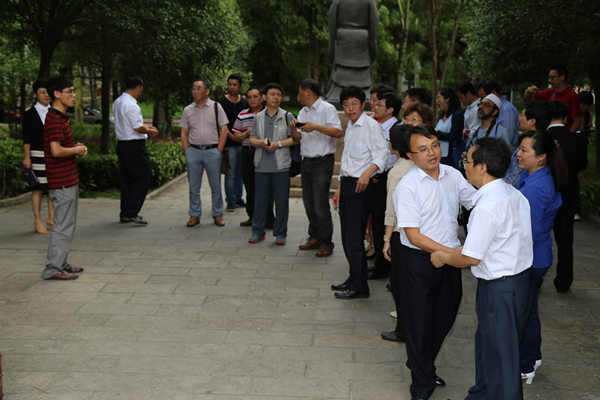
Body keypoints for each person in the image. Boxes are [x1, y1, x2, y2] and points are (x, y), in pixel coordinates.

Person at [431, 137, 533, 400]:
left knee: (501, 359)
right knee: (490, 349)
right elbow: (491, 246)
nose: (464, 165)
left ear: (482, 167)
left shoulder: (487, 206)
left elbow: (471, 258)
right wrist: (450, 252)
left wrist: (443, 257)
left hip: (500, 289)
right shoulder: (513, 193)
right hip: (516, 284)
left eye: (467, 161)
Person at [393, 125, 476, 400]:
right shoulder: (407, 187)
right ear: (410, 155)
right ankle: (421, 386)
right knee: (419, 323)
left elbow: (474, 201)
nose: (432, 153)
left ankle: (421, 363)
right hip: (419, 262)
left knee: (445, 316)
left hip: (449, 260)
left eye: (435, 146)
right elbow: (413, 236)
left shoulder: (452, 174)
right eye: (423, 149)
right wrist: (452, 253)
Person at [516, 130, 567, 384]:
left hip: (531, 258)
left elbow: (531, 234)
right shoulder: (534, 176)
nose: (518, 154)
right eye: (520, 148)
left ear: (541, 157)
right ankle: (532, 357)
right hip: (535, 256)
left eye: (524, 150)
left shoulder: (538, 187)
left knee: (525, 313)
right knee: (530, 309)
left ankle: (526, 364)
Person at [331, 85, 388, 299]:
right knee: (347, 237)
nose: (350, 108)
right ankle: (354, 277)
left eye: (354, 104)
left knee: (355, 238)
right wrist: (339, 187)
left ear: (363, 105)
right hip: (347, 184)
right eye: (346, 105)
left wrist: (367, 173)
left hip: (361, 186)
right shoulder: (350, 126)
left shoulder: (371, 125)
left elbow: (382, 156)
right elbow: (347, 160)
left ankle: (360, 286)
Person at [42, 76, 88, 280]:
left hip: (68, 178)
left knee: (67, 223)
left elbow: (62, 147)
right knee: (62, 224)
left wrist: (75, 147)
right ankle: (53, 269)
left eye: (73, 91)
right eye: (69, 91)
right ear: (57, 94)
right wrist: (76, 150)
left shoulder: (60, 117)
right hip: (61, 181)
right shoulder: (53, 119)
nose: (74, 95)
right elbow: (56, 151)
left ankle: (61, 263)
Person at [291, 79, 342, 257]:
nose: (298, 95)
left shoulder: (327, 109)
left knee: (320, 204)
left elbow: (338, 132)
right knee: (309, 203)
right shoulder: (303, 111)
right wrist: (294, 128)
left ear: (307, 92)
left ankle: (326, 242)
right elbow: (296, 139)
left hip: (322, 162)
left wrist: (316, 127)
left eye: (299, 92)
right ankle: (314, 237)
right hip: (306, 161)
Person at [248, 83, 298, 245]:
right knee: (260, 202)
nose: (276, 97)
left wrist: (278, 144)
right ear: (264, 97)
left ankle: (280, 233)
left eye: (278, 94)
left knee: (281, 203)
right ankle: (258, 231)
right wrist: (261, 142)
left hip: (281, 166)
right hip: (261, 166)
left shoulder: (287, 116)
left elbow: (295, 139)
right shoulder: (257, 117)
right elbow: (252, 139)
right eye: (272, 94)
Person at [547, 100, 588, 293]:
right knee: (565, 242)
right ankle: (563, 282)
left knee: (536, 238)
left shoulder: (540, 139)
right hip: (568, 196)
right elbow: (583, 166)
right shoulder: (578, 140)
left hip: (544, 197)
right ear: (566, 118)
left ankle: (534, 278)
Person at [380, 124, 414, 343]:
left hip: (401, 233)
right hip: (420, 233)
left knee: (400, 283)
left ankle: (403, 330)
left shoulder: (397, 172)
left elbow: (391, 209)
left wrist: (386, 239)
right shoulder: (420, 167)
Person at [180, 78, 229, 228]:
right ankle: (194, 215)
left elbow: (224, 130)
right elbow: (184, 132)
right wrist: (187, 152)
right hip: (194, 152)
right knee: (194, 186)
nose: (195, 91)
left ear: (207, 91)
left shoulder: (216, 107)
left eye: (199, 88)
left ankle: (217, 214)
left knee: (215, 185)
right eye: (193, 88)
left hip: (212, 151)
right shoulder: (188, 110)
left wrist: (218, 151)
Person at [113, 76, 160, 225]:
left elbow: (130, 125)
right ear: (138, 87)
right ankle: (132, 212)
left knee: (127, 180)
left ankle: (125, 213)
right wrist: (150, 131)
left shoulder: (117, 102)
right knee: (142, 179)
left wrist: (145, 128)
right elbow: (137, 128)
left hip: (122, 144)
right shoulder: (132, 105)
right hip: (134, 146)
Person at [366, 92, 402, 280]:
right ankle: (381, 263)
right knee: (377, 220)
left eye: (380, 104)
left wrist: (377, 171)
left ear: (390, 110)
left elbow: (391, 156)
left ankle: (385, 265)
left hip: (388, 177)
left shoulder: (396, 128)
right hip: (378, 176)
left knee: (384, 220)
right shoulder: (378, 125)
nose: (375, 107)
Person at [232, 86, 274, 227]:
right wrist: (245, 134)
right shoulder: (242, 114)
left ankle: (269, 219)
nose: (252, 99)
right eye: (249, 97)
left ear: (262, 98)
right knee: (250, 186)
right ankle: (252, 217)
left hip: (265, 152)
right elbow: (236, 136)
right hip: (247, 153)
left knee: (267, 187)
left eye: (255, 96)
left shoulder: (269, 113)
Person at [22, 79, 55, 234]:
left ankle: (51, 218)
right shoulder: (29, 114)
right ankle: (37, 220)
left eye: (48, 92)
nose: (46, 95)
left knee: (53, 188)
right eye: (42, 92)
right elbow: (26, 138)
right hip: (37, 155)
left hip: (53, 154)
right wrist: (27, 157)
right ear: (35, 94)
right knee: (39, 189)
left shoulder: (54, 112)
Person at [218, 73, 248, 212]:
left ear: (240, 87)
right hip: (229, 144)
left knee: (240, 173)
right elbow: (222, 125)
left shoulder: (245, 102)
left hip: (243, 143)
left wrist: (241, 137)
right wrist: (233, 137)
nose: (232, 87)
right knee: (230, 174)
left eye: (235, 85)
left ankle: (238, 198)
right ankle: (230, 200)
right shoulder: (221, 103)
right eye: (230, 84)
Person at [503, 101, 551, 187]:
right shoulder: (535, 142)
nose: (519, 118)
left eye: (522, 115)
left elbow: (514, 180)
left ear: (532, 121)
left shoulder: (531, 145)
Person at [524, 64, 581, 132]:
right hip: (549, 134)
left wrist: (567, 136)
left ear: (562, 77)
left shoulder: (573, 96)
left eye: (552, 77)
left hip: (562, 134)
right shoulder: (551, 92)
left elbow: (577, 122)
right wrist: (528, 91)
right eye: (549, 78)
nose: (550, 80)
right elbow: (528, 97)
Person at [476, 77, 519, 150]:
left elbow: (506, 139)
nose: (481, 101)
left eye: (483, 97)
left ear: (493, 93)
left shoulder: (506, 110)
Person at [435, 87, 464, 168]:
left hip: (451, 156)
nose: (437, 101)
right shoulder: (441, 116)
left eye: (439, 98)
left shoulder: (457, 115)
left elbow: (452, 136)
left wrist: (436, 133)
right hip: (440, 154)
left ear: (447, 99)